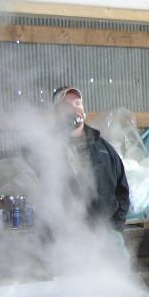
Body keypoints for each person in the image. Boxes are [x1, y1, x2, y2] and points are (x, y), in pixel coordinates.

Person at [52, 86, 130, 232]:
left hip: (106, 235)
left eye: (77, 104)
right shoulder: (48, 148)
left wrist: (116, 226)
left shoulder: (104, 148)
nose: (74, 109)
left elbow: (123, 189)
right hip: (66, 239)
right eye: (67, 106)